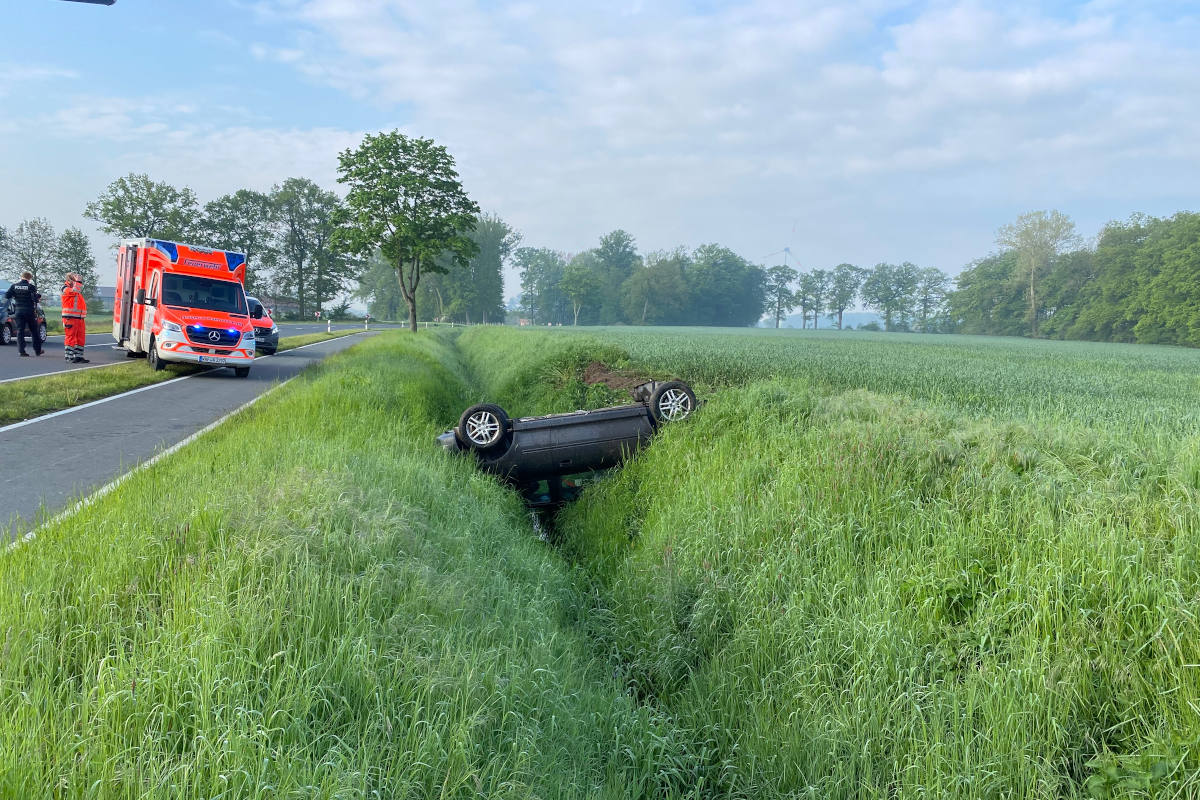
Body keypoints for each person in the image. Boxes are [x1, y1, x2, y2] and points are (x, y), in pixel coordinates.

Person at [4, 271, 43, 357]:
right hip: (29, 311)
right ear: (29, 278)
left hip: (18, 311)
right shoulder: (31, 287)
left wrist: (15, 296)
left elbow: (7, 296)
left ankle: (22, 351)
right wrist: (38, 297)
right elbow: (35, 299)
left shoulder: (14, 286)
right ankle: (37, 350)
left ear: (21, 277)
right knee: (34, 331)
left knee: (20, 331)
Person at [61, 272, 89, 363]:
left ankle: (79, 356)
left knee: (80, 337)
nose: (76, 281)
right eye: (74, 279)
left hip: (79, 318)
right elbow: (75, 290)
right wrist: (79, 281)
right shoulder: (65, 288)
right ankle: (69, 357)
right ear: (69, 280)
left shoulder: (75, 290)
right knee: (70, 337)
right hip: (69, 317)